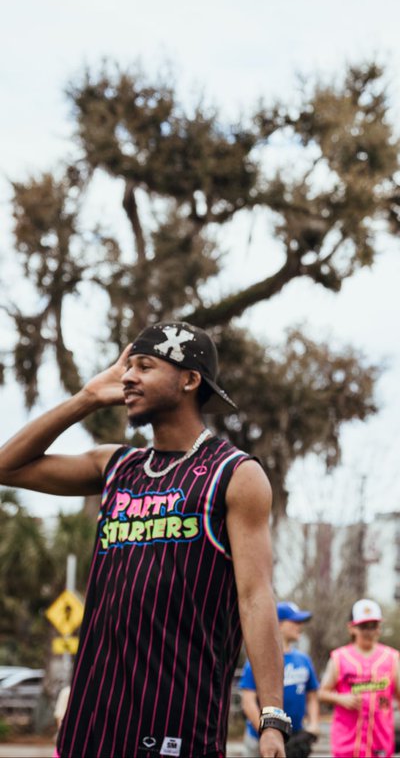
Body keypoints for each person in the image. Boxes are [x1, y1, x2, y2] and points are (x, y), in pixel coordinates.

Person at [0, 322, 288, 757]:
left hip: (177, 723)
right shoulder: (116, 466)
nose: (128, 377)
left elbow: (256, 598)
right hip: (90, 728)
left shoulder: (234, 474)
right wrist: (86, 398)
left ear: (189, 380)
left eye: (145, 366)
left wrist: (272, 718)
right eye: (127, 366)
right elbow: (7, 466)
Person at [318, 598, 400, 758]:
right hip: (346, 742)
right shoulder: (339, 657)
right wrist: (341, 698)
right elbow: (322, 693)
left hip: (380, 740)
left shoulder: (391, 657)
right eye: (364, 626)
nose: (368, 631)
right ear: (352, 628)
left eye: (373, 626)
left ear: (379, 628)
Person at [241, 601, 321, 756]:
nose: (300, 626)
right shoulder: (258, 659)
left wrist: (314, 724)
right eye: (295, 622)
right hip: (260, 739)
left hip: (296, 738)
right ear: (278, 624)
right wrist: (269, 732)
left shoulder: (303, 660)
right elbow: (248, 702)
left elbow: (312, 695)